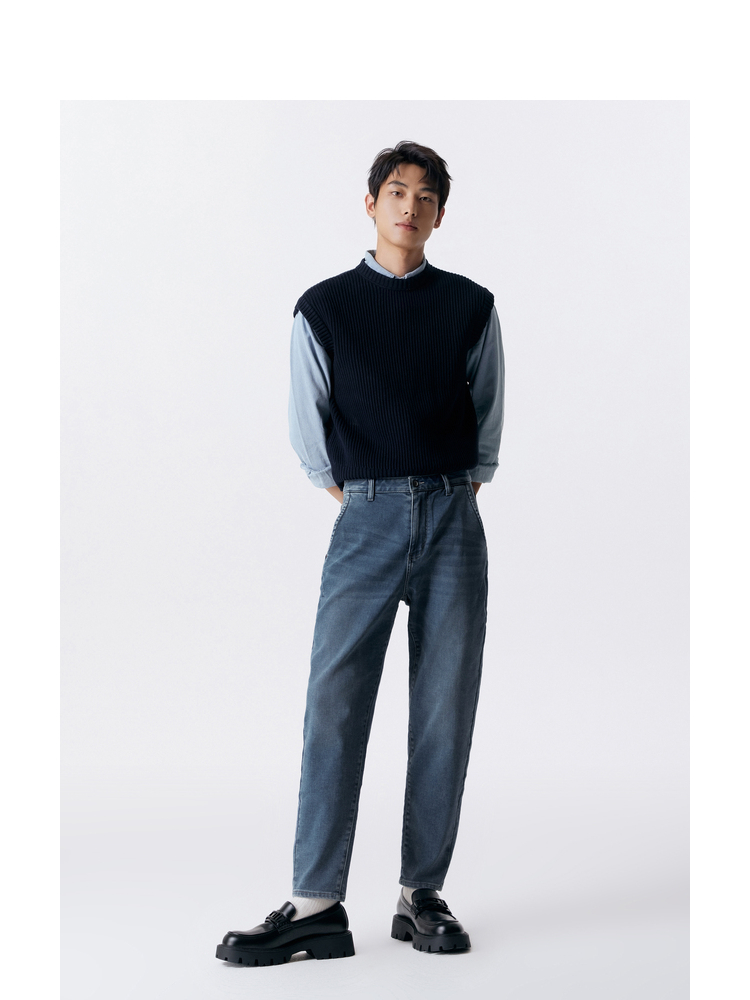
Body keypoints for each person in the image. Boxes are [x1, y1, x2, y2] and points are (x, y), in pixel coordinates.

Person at [216, 140, 505, 966]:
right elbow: (309, 426)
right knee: (335, 705)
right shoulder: (325, 307)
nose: (410, 207)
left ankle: (421, 895)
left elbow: (487, 412)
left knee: (445, 708)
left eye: (426, 197)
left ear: (440, 215)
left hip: (453, 517)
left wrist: (454, 490)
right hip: (366, 518)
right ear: (371, 203)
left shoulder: (471, 305)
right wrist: (368, 498)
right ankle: (316, 902)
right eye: (397, 192)